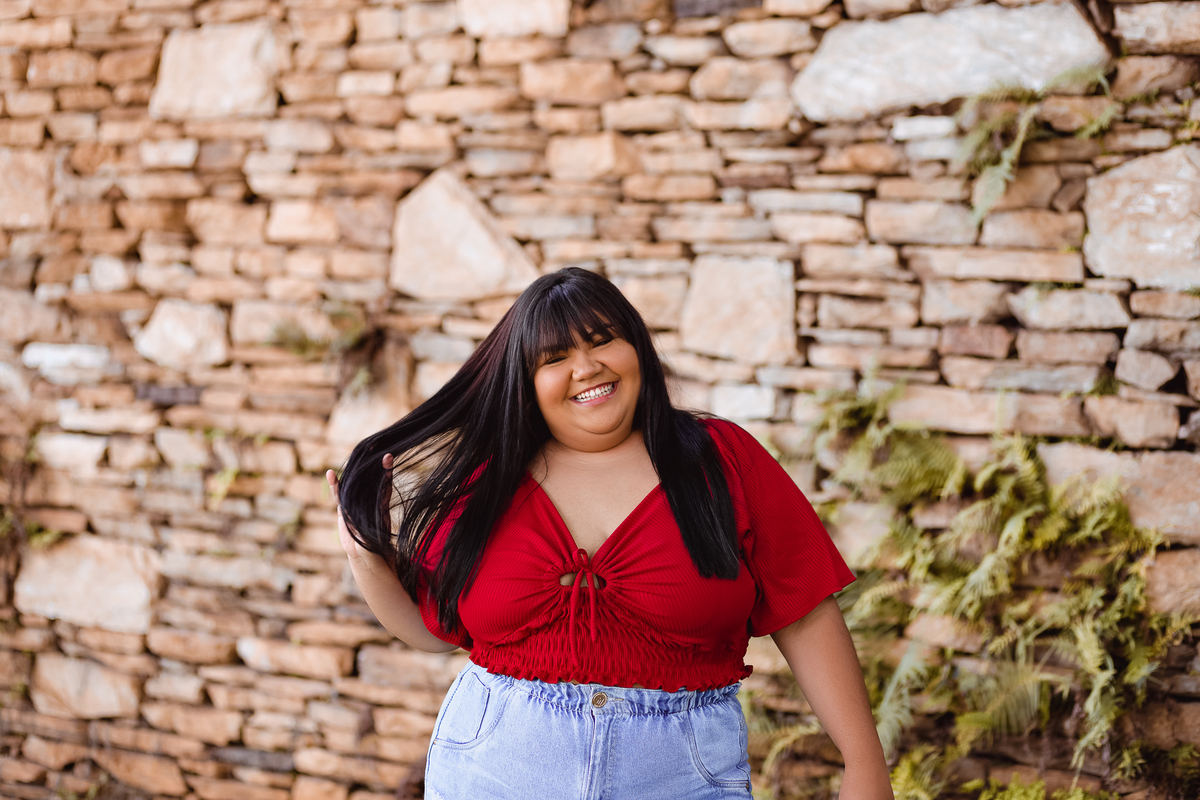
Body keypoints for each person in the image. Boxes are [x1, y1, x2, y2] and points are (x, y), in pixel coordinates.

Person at [326, 267, 893, 800]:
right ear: (526, 380)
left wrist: (863, 760)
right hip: (494, 769)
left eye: (602, 340)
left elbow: (806, 611)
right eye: (555, 357)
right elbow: (435, 632)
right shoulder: (488, 483)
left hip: (681, 776)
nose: (586, 366)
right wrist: (365, 556)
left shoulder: (721, 462)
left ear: (637, 349)